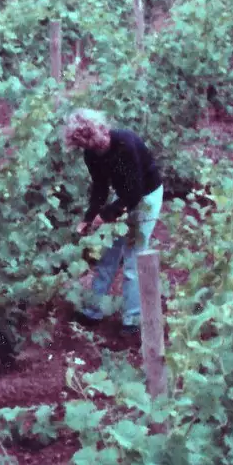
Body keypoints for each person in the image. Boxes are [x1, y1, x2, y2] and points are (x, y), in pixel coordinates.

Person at [62, 109, 164, 331]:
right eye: (83, 145)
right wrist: (89, 218)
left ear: (99, 130)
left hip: (147, 196)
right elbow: (100, 188)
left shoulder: (125, 144)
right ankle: (93, 309)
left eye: (89, 141)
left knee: (133, 257)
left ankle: (133, 319)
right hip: (125, 195)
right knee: (108, 254)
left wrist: (107, 215)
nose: (89, 148)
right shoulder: (90, 154)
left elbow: (135, 193)